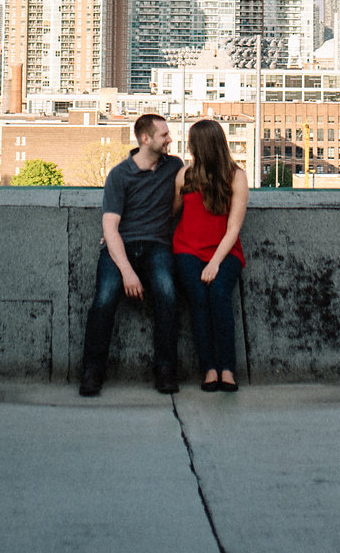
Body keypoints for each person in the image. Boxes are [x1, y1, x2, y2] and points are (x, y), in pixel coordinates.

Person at [79, 112, 183, 396]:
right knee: (104, 299)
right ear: (145, 138)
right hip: (121, 246)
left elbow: (177, 202)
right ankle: (92, 371)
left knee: (167, 294)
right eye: (164, 135)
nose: (169, 139)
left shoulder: (174, 166)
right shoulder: (119, 174)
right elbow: (110, 228)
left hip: (157, 245)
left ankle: (165, 369)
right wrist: (127, 272)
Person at [172, 119, 247, 392]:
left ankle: (228, 369)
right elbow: (170, 213)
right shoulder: (185, 175)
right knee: (199, 300)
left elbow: (234, 227)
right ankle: (209, 370)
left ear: (200, 146)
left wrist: (215, 263)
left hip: (225, 252)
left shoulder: (236, 176)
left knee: (218, 295)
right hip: (186, 249)